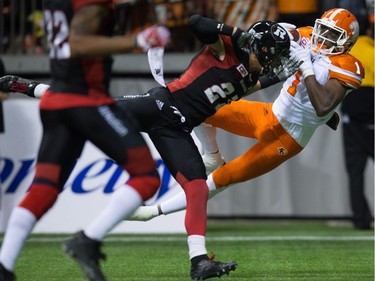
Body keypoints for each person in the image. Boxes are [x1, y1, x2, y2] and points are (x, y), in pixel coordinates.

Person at [0, 15, 295, 280]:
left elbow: (249, 84)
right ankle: (28, 87)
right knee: (91, 107)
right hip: (160, 106)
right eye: (274, 57)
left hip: (178, 128)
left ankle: (199, 261)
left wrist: (282, 76)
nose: (274, 63)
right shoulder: (225, 47)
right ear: (259, 47)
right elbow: (195, 22)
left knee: (197, 187)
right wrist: (235, 32)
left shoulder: (252, 72)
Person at [125, 8, 366, 223]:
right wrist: (275, 33)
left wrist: (307, 68)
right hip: (269, 114)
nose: (323, 37)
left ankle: (153, 212)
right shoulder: (306, 35)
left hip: (287, 138)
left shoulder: (348, 65)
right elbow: (272, 46)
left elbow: (323, 105)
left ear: (347, 40)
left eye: (333, 34)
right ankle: (212, 156)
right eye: (323, 29)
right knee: (204, 106)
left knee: (226, 177)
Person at [0, 1, 170, 281]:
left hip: (57, 102)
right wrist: (138, 40)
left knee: (43, 189)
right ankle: (88, 241)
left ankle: (4, 267)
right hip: (86, 101)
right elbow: (78, 43)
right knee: (146, 176)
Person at [341, 19, 374, 230]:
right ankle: (361, 219)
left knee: (355, 173)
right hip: (364, 116)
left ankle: (361, 220)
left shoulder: (352, 48)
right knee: (355, 173)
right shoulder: (362, 48)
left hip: (353, 118)